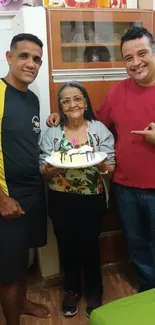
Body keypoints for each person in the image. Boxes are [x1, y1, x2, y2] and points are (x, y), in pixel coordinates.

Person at [47, 26, 155, 293]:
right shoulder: (118, 92)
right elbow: (93, 123)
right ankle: (147, 294)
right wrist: (63, 113)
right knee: (138, 246)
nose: (136, 62)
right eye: (128, 58)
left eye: (142, 53)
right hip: (125, 187)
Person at [39, 81, 115, 317]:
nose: (73, 104)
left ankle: (94, 291)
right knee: (66, 246)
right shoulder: (52, 131)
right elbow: (43, 166)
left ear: (85, 101)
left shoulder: (99, 129)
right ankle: (71, 290)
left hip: (91, 197)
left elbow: (109, 167)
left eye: (77, 98)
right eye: (66, 100)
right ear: (60, 106)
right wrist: (50, 170)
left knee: (90, 245)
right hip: (60, 198)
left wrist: (100, 162)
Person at [0, 33, 51, 325]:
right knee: (7, 270)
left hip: (33, 191)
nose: (31, 64)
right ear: (9, 57)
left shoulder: (32, 99)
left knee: (23, 258)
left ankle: (22, 302)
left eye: (36, 59)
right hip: (7, 195)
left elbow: (26, 141)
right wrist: (2, 198)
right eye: (24, 56)